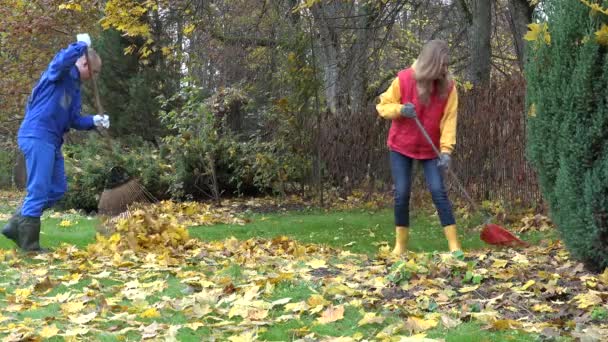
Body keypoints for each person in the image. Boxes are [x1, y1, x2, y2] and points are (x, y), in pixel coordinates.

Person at [1, 34, 110, 252]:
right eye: (94, 71)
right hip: (37, 134)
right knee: (39, 189)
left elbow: (73, 120)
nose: (94, 76)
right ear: (85, 63)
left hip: (52, 140)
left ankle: (15, 224)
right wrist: (79, 46)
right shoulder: (61, 74)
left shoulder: (75, 89)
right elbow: (59, 62)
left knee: (58, 189)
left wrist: (94, 121)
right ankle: (30, 245)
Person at [376, 39, 461, 255]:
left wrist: (446, 151)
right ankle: (401, 246)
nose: (445, 69)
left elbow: (449, 121)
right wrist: (401, 110)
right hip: (401, 145)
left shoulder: (449, 87)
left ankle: (454, 246)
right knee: (402, 192)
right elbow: (383, 106)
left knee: (438, 191)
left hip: (430, 150)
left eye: (446, 65)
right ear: (431, 63)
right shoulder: (404, 79)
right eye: (442, 65)